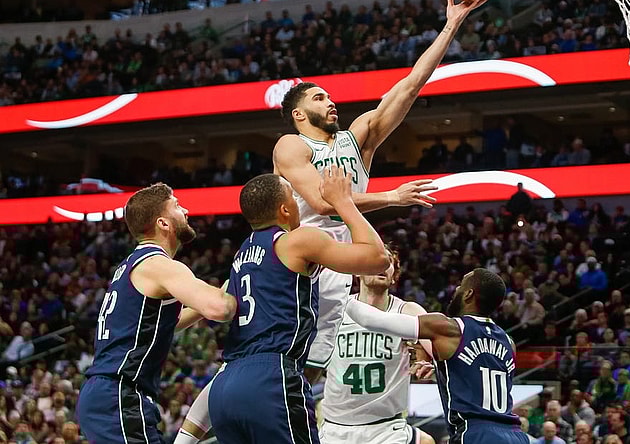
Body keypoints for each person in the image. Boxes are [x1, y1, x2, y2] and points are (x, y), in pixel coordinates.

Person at [273, 0, 487, 384]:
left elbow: (410, 86)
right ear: (299, 115)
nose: (331, 100)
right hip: (298, 259)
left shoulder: (358, 139)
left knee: (313, 372)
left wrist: (451, 25)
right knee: (275, 361)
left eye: (329, 95)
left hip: (343, 262)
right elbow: (325, 203)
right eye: (319, 98)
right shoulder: (291, 145)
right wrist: (392, 197)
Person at [207, 168, 391, 444]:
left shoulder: (241, 254)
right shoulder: (297, 240)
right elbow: (378, 258)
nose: (297, 203)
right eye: (293, 196)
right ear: (284, 209)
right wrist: (342, 201)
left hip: (225, 384)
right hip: (271, 376)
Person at [76, 183, 238, 444]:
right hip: (119, 393)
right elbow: (220, 308)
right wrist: (239, 286)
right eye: (176, 205)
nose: (185, 210)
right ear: (163, 223)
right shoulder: (160, 265)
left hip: (106, 393)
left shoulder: (132, 265)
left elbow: (163, 325)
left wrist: (204, 303)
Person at [344, 267, 529, 443]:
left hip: (475, 433)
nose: (456, 289)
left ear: (468, 294)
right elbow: (478, 374)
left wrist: (340, 292)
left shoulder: (449, 328)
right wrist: (440, 371)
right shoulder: (508, 342)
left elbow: (372, 319)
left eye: (461, 286)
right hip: (515, 434)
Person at [320, 247, 435, 444]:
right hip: (336, 427)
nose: (382, 266)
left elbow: (439, 342)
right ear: (357, 271)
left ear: (394, 277)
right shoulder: (336, 308)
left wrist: (424, 358)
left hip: (386, 427)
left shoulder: (407, 311)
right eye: (376, 260)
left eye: (388, 262)